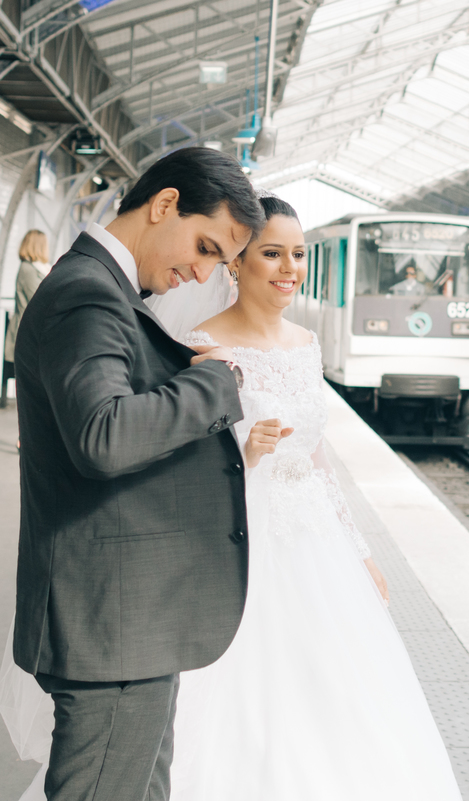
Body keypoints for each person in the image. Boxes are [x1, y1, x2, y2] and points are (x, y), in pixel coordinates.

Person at [6, 197, 463, 801]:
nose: (288, 268)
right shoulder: (196, 344)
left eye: (297, 255)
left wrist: (359, 547)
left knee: (336, 699)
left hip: (314, 543)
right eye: (271, 254)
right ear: (236, 266)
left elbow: (318, 456)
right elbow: (150, 444)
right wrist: (247, 453)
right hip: (235, 539)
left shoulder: (304, 343)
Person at [4, 146, 263, 801]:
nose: (202, 272)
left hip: (127, 621)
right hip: (112, 623)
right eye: (205, 247)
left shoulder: (102, 289)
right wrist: (212, 382)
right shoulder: (87, 295)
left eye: (220, 262)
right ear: (165, 203)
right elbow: (103, 434)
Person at [2, 230, 51, 409]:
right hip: (28, 333)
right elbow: (40, 299)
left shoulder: (38, 268)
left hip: (33, 331)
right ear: (38, 246)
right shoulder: (28, 269)